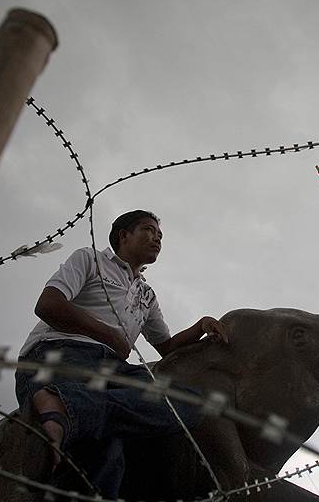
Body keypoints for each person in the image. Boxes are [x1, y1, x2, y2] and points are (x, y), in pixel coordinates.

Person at [14, 210, 228, 496]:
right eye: (148, 230)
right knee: (106, 451)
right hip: (62, 351)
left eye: (160, 236)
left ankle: (69, 407)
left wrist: (201, 325)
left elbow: (166, 347)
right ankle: (65, 406)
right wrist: (108, 334)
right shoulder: (91, 259)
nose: (157, 239)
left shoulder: (146, 295)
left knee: (191, 401)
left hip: (113, 370)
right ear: (123, 235)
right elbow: (49, 305)